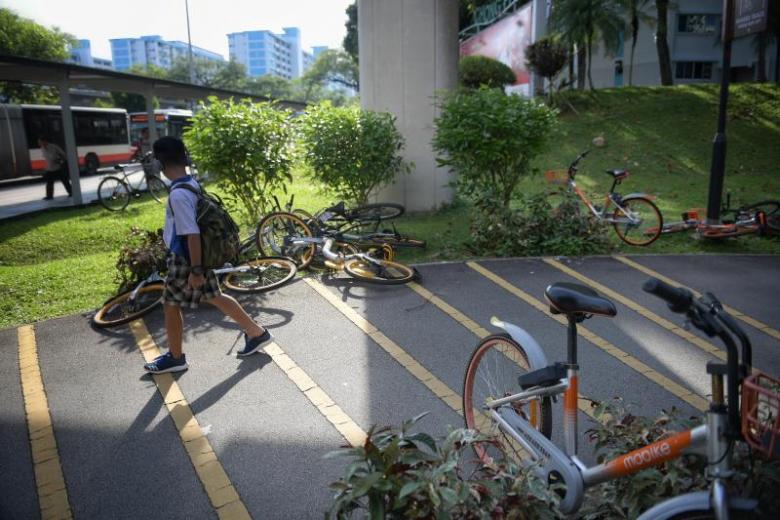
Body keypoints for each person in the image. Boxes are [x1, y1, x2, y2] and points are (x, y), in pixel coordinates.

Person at [143, 136, 272, 374]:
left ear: (160, 164)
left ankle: (175, 357)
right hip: (194, 258)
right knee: (214, 296)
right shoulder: (190, 183)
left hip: (187, 259)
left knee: (171, 304)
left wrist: (196, 270)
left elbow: (191, 234)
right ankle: (257, 333)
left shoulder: (178, 195)